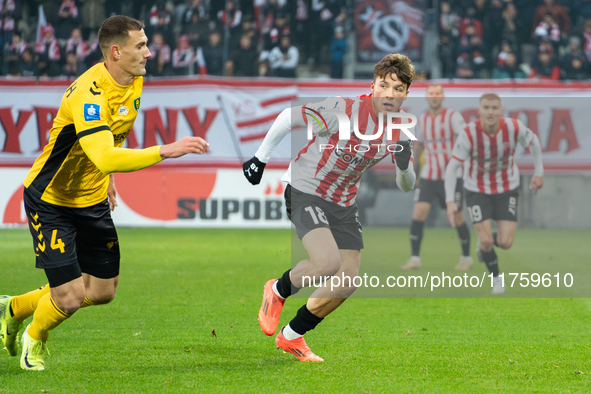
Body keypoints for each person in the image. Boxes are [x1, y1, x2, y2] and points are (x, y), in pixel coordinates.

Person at [0, 15, 208, 372]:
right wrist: (165, 150)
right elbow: (102, 153)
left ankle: (12, 308)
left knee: (101, 292)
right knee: (68, 297)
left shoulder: (134, 81)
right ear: (116, 51)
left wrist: (108, 177)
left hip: (92, 197)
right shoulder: (89, 94)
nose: (149, 52)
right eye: (140, 45)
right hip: (53, 199)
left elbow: (111, 140)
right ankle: (34, 340)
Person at [243, 53, 417, 362]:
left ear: (406, 93)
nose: (390, 94)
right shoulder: (344, 110)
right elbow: (288, 117)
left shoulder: (401, 129)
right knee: (326, 263)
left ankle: (292, 337)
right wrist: (259, 158)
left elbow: (407, 185)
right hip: (306, 189)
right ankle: (278, 290)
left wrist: (403, 165)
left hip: (343, 204)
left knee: (348, 280)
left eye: (398, 89)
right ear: (373, 85)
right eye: (384, 86)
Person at [444, 93, 544, 294]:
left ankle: (483, 247)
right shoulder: (469, 134)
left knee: (506, 242)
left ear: (501, 110)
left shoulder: (514, 127)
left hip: (507, 188)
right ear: (479, 111)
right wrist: (450, 202)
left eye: (494, 108)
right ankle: (497, 279)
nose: (490, 112)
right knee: (487, 239)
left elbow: (533, 142)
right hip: (476, 189)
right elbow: (452, 168)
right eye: (486, 108)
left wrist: (539, 173)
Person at [401, 84, 472, 271]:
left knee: (457, 217)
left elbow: (466, 137)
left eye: (437, 94)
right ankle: (415, 259)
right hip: (429, 176)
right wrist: (412, 171)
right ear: (426, 97)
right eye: (430, 94)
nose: (434, 97)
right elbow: (418, 146)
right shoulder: (423, 119)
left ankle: (466, 257)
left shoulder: (453, 117)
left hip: (452, 176)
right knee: (418, 213)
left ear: (442, 97)